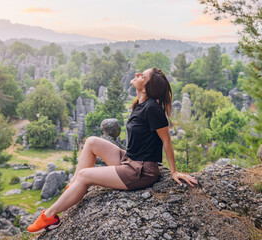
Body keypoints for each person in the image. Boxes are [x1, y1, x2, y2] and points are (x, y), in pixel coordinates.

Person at [27, 67, 198, 233]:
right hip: (129, 160)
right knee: (92, 142)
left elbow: (166, 141)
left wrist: (174, 172)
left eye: (142, 76)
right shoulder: (139, 104)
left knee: (85, 175)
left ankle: (50, 216)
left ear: (146, 88)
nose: (137, 74)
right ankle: (74, 188)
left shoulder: (153, 109)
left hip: (141, 171)